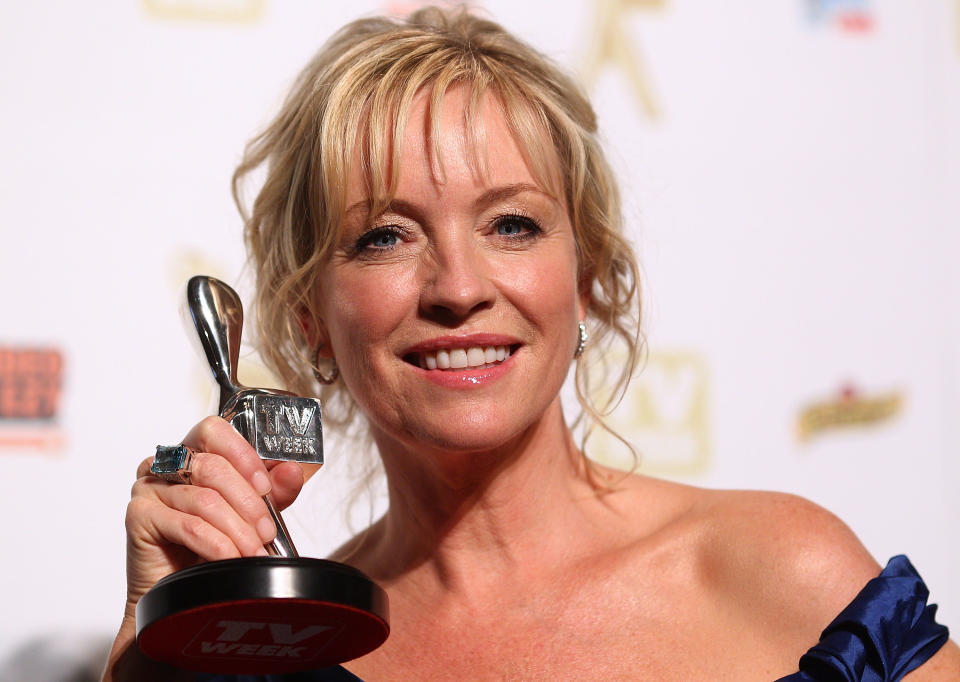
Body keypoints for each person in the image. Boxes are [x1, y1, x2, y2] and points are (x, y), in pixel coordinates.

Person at [104, 7, 959, 681]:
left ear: (585, 277)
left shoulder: (779, 573)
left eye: (512, 225)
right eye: (385, 237)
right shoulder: (274, 644)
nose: (460, 286)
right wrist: (158, 641)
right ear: (308, 321)